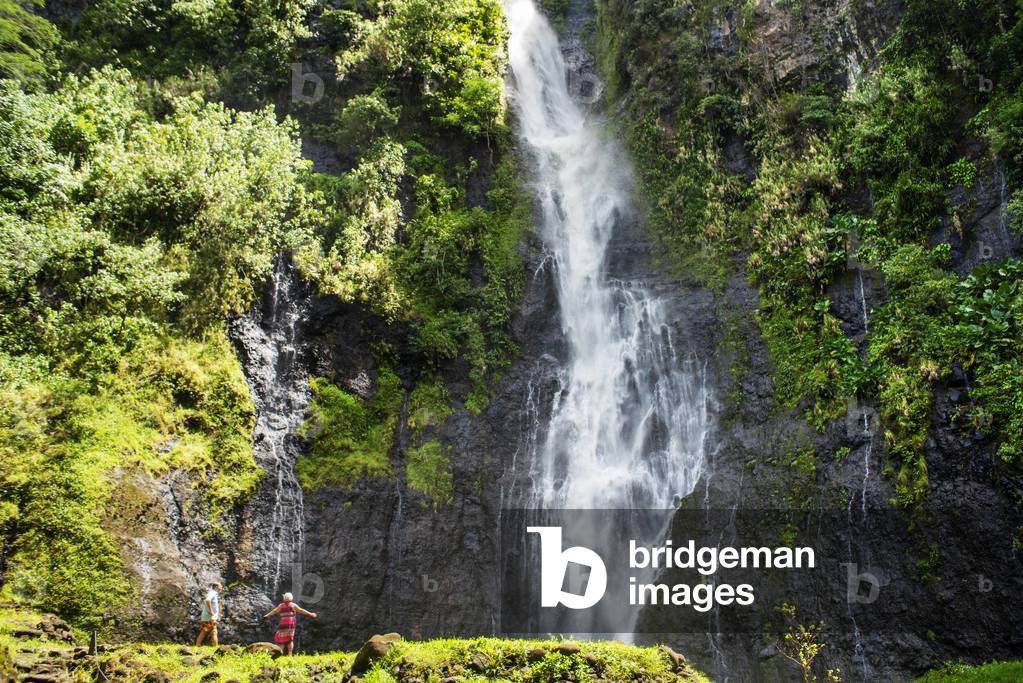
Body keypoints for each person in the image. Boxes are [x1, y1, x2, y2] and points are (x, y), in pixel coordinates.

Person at [195, 582, 222, 647]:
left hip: (208, 617)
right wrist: (210, 611)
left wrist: (218, 614)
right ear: (216, 587)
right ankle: (216, 647)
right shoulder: (213, 593)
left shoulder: (214, 594)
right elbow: (207, 600)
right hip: (210, 617)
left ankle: (197, 645)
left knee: (204, 631)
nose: (221, 588)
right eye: (220, 586)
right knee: (214, 632)